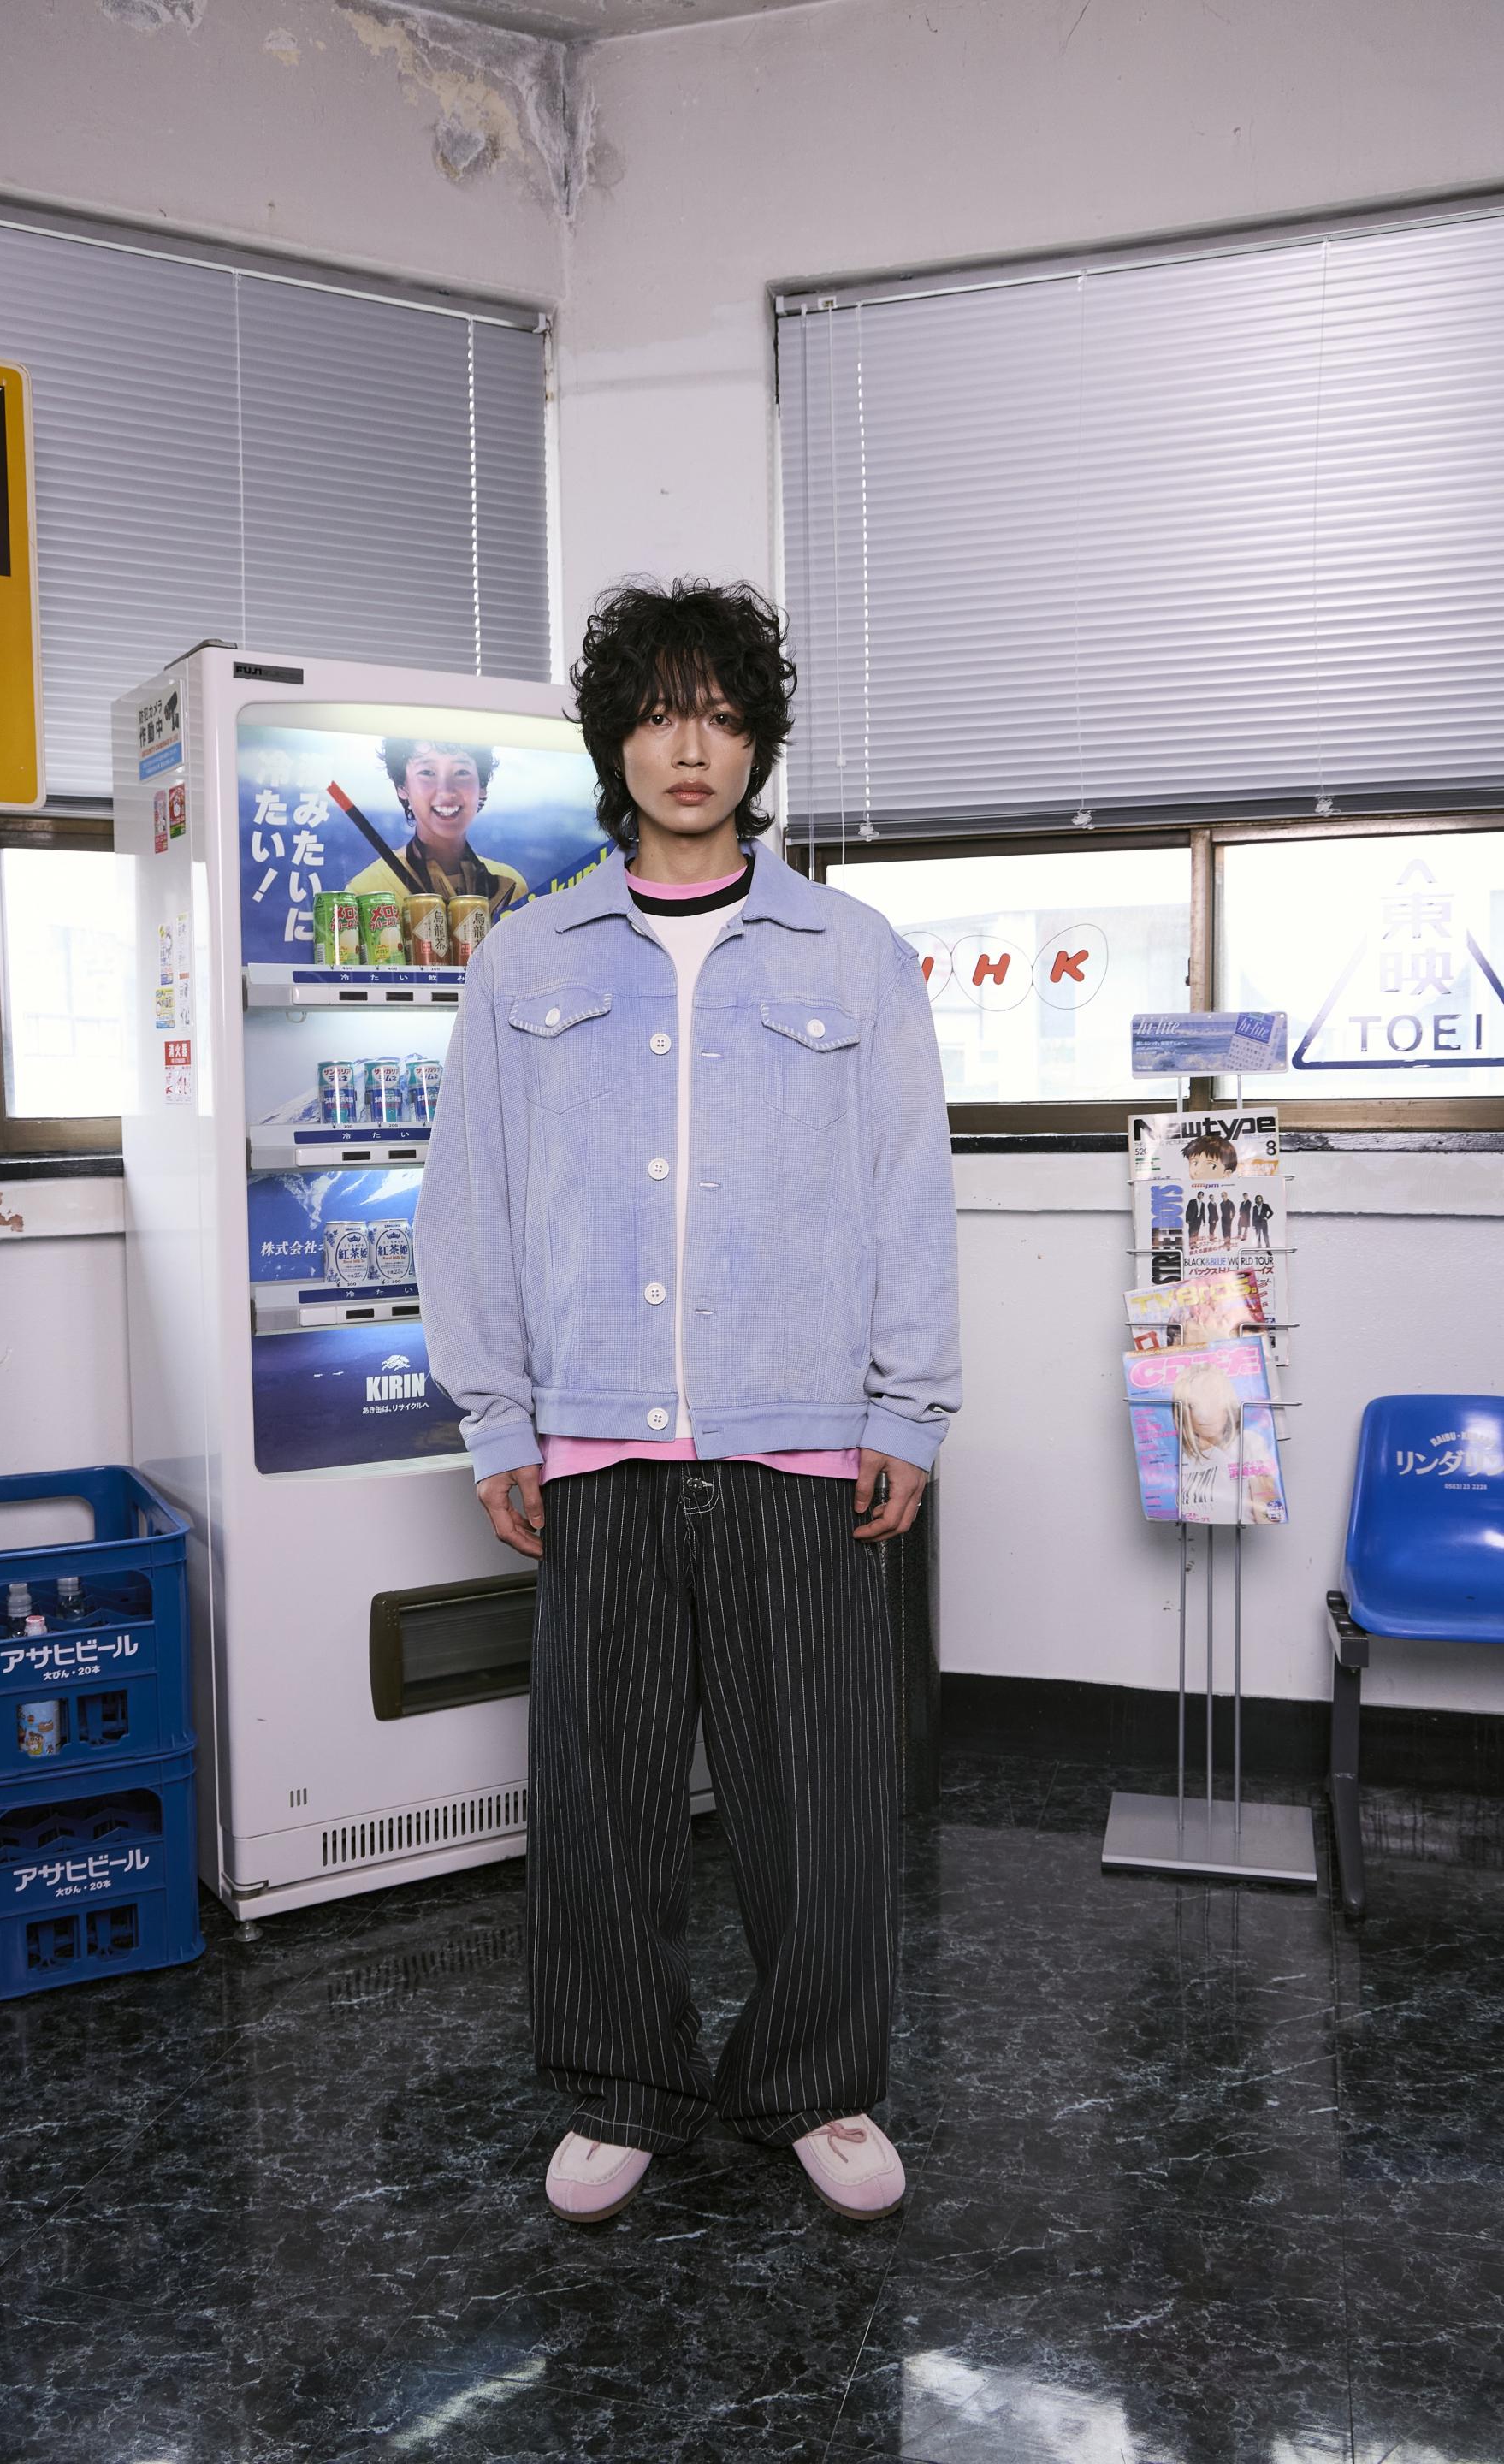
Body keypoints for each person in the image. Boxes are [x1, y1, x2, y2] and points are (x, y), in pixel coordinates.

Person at [413, 578, 962, 2227]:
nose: (690, 746)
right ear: (615, 745)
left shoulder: (854, 953)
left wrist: (910, 1412)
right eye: (658, 714)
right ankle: (624, 2087)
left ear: (759, 743)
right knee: (603, 1798)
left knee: (821, 1801)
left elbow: (908, 1193)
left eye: (721, 713)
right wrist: (496, 1420)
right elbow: (471, 1203)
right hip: (599, 1441)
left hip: (800, 1437)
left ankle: (816, 2081)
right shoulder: (527, 957)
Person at [347, 737, 527, 916]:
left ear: (482, 787)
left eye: (461, 772)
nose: (446, 791)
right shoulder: (366, 889)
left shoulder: (513, 886)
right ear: (402, 787)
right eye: (427, 772)